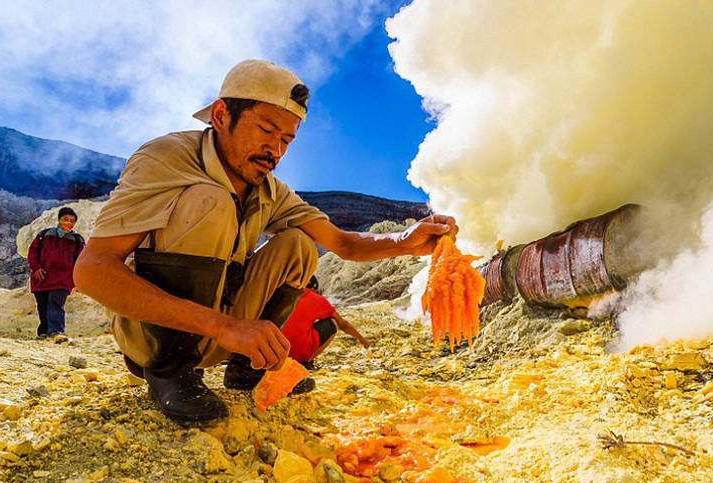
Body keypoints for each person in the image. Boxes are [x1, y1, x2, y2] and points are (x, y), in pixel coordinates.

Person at [73, 59, 457, 429]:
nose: (275, 150)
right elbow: (92, 269)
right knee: (211, 201)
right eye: (266, 130)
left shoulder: (270, 190)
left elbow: (343, 244)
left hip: (223, 334)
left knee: (299, 245)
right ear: (222, 116)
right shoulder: (166, 159)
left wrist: (405, 241)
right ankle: (170, 370)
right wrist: (223, 326)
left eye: (286, 139)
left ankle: (248, 365)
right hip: (151, 335)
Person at [281, 276, 370, 369]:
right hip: (298, 355)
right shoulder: (316, 299)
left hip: (278, 352)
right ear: (313, 289)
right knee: (333, 323)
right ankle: (306, 362)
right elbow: (343, 324)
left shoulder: (281, 295)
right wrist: (363, 340)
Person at [27, 206, 84, 340]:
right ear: (59, 220)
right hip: (42, 277)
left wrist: (75, 278)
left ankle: (57, 331)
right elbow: (33, 252)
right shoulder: (44, 235)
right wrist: (36, 268)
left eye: (72, 221)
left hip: (63, 278)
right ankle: (44, 332)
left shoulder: (77, 240)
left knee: (55, 302)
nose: (68, 223)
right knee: (43, 305)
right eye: (65, 219)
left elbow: (81, 259)